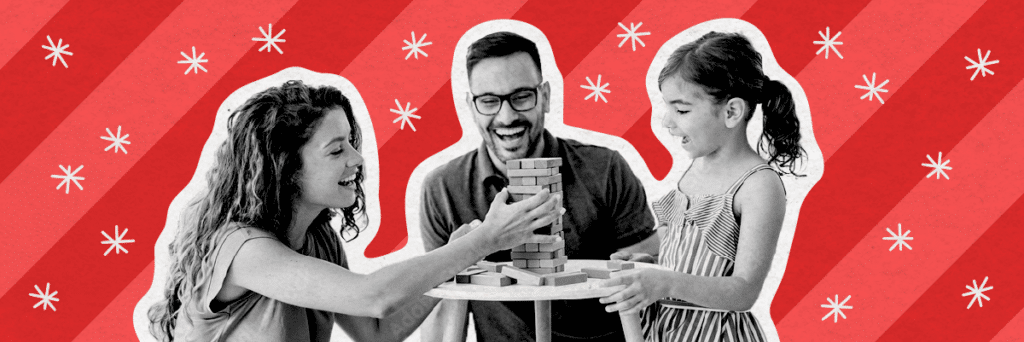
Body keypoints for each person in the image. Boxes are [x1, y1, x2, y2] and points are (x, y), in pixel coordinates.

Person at [147, 80, 563, 342]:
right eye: (336, 150)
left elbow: (379, 332)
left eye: (351, 142)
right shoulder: (243, 250)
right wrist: (483, 240)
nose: (357, 160)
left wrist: (453, 263)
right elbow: (373, 297)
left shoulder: (317, 238)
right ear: (286, 168)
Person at [419, 31, 660, 341]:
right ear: (471, 105)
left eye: (521, 97)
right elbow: (444, 303)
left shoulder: (606, 170)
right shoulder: (442, 189)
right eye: (489, 101)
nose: (506, 117)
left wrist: (650, 261)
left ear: (544, 96)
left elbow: (642, 282)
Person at [597, 31, 805, 341]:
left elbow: (743, 291)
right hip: (667, 330)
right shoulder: (697, 166)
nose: (667, 121)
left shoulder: (759, 186)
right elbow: (684, 237)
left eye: (681, 110)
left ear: (731, 112)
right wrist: (646, 259)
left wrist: (666, 283)